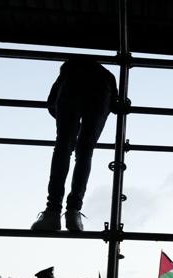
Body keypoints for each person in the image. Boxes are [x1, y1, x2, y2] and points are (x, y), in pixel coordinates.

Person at [31, 57, 118, 232]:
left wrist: (68, 125)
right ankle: (73, 211)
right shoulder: (107, 76)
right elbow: (116, 104)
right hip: (103, 84)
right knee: (85, 152)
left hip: (73, 78)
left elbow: (51, 102)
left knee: (63, 148)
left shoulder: (67, 72)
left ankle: (53, 211)